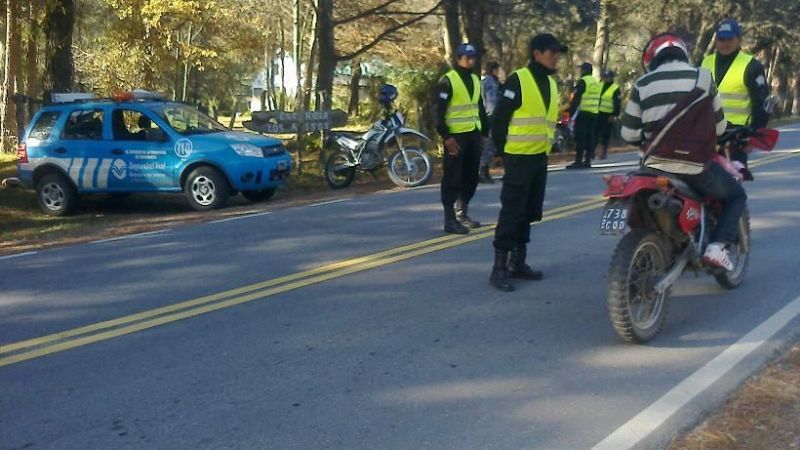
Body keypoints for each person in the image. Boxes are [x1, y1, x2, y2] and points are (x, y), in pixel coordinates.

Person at [621, 33, 746, 270]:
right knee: (736, 195)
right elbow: (719, 127)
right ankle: (717, 247)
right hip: (694, 167)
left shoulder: (642, 83)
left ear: (654, 58)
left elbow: (628, 134)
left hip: (652, 168)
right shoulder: (703, 78)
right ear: (683, 54)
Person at [489, 33, 567, 292]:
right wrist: (501, 152)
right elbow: (500, 118)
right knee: (512, 210)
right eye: (551, 51)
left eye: (558, 52)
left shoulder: (551, 83)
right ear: (536, 53)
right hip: (518, 157)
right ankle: (498, 268)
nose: (556, 56)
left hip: (538, 158)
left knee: (530, 211)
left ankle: (518, 263)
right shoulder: (518, 79)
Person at [701, 19, 771, 177]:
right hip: (706, 134)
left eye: (730, 39)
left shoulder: (751, 66)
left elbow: (761, 104)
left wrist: (753, 136)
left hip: (735, 136)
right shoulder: (704, 62)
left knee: (732, 183)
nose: (725, 43)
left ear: (738, 40)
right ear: (716, 40)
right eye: (721, 39)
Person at [434, 43, 490, 234]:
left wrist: (484, 133)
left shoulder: (475, 79)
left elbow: (479, 107)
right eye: (467, 57)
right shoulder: (447, 80)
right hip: (456, 137)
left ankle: (462, 214)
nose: (471, 60)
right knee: (452, 178)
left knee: (470, 177)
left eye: (473, 57)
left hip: (473, 135)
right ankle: (449, 219)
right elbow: (438, 111)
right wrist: (446, 136)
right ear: (458, 58)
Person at [566, 62, 601, 169]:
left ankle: (578, 160)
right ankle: (588, 161)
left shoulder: (583, 81)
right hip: (594, 113)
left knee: (580, 137)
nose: (580, 71)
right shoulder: (596, 82)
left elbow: (576, 99)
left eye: (581, 69)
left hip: (583, 113)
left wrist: (571, 114)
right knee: (590, 137)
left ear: (584, 71)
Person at [479, 61, 502, 184]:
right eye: (497, 70)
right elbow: (491, 102)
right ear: (493, 70)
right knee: (490, 145)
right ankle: (483, 171)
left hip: (489, 115)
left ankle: (484, 170)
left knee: (490, 146)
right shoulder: (490, 82)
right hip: (491, 116)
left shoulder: (491, 81)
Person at [596, 69, 621, 159]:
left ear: (611, 78)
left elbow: (617, 103)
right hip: (597, 113)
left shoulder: (615, 88)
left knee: (605, 134)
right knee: (595, 133)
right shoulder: (600, 85)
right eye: (605, 77)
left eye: (608, 77)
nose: (606, 79)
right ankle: (593, 152)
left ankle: (604, 152)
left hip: (608, 115)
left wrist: (614, 115)